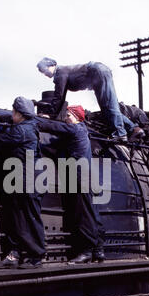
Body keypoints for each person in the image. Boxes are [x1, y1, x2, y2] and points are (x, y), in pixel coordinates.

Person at [0, 96, 46, 269]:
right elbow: (12, 119)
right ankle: (14, 254)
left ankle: (36, 256)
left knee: (30, 218)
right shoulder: (30, 123)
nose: (11, 114)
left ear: (20, 114)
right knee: (16, 217)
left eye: (13, 111)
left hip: (26, 179)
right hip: (21, 177)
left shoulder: (20, 131)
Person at [37, 105, 105, 264]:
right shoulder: (81, 130)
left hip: (80, 178)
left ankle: (86, 251)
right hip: (86, 177)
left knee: (83, 214)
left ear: (76, 117)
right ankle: (98, 250)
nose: (66, 117)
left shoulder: (75, 129)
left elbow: (52, 127)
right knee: (92, 214)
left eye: (68, 115)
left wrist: (34, 119)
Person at [36, 57, 145, 142]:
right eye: (42, 72)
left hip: (98, 72)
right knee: (107, 108)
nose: (44, 73)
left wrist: (51, 115)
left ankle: (120, 134)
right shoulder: (62, 72)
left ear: (52, 65)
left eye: (44, 70)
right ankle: (134, 128)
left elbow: (59, 97)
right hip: (99, 73)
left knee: (109, 106)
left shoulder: (60, 73)